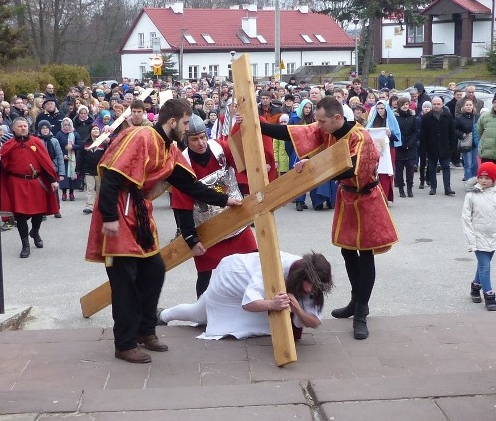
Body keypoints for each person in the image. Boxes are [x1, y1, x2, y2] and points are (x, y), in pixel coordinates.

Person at [85, 98, 242, 364]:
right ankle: (124, 343)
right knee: (124, 281)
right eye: (183, 123)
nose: (186, 128)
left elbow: (188, 184)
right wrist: (109, 218)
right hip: (119, 212)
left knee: (154, 270)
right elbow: (111, 175)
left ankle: (145, 331)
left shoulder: (168, 149)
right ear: (172, 122)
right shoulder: (142, 137)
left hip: (138, 213)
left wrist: (224, 200)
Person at [256, 95, 399, 339]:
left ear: (336, 118)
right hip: (347, 198)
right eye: (317, 121)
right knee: (347, 251)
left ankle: (362, 312)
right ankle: (355, 300)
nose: (317, 125)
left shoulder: (360, 137)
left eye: (321, 121)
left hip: (366, 199)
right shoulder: (328, 128)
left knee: (365, 255)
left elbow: (344, 168)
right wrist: (257, 125)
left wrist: (309, 165)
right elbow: (294, 132)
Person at [172, 114, 257, 297]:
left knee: (256, 262)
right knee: (205, 275)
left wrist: (242, 127)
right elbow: (181, 205)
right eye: (194, 139)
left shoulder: (221, 147)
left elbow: (242, 155)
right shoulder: (182, 164)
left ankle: (257, 302)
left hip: (236, 219)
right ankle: (203, 315)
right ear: (186, 140)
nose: (201, 143)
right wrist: (191, 239)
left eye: (203, 137)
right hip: (207, 227)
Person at [159, 251, 333, 341]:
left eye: (315, 287)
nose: (310, 290)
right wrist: (273, 304)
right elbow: (248, 303)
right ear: (301, 275)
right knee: (199, 313)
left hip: (258, 293)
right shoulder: (275, 264)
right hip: (232, 278)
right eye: (309, 283)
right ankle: (162, 315)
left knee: (265, 324)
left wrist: (297, 308)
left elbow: (315, 322)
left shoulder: (314, 283)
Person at [0, 118, 60, 258]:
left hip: (36, 182)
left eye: (25, 126)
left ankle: (35, 232)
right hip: (16, 183)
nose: (23, 128)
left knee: (39, 213)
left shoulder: (36, 142)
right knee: (20, 216)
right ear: (14, 129)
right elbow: (2, 167)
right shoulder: (7, 145)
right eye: (20, 126)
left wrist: (53, 180)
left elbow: (45, 162)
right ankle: (25, 244)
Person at [462, 162, 496, 311]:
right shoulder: (471, 196)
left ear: (494, 179)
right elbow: (466, 218)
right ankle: (489, 295)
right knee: (485, 266)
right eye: (481, 177)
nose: (483, 181)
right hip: (478, 236)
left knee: (483, 265)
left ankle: (475, 286)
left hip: (494, 236)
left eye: (487, 178)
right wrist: (471, 239)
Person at [419, 96, 457, 196]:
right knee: (431, 168)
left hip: (445, 147)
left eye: (438, 104)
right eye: (434, 104)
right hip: (432, 147)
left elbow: (452, 133)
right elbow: (423, 135)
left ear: (442, 104)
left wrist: (453, 148)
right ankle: (433, 187)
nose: (436, 106)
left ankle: (447, 188)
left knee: (446, 167)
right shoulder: (426, 117)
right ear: (432, 104)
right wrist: (424, 149)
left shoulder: (448, 116)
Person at [393, 97, 419, 198]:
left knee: (410, 168)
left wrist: (409, 144)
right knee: (399, 170)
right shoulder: (395, 117)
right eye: (403, 104)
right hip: (399, 146)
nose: (405, 106)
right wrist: (400, 143)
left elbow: (416, 132)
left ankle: (409, 188)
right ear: (399, 105)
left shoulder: (413, 117)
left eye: (407, 104)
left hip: (410, 147)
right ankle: (401, 189)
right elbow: (394, 131)